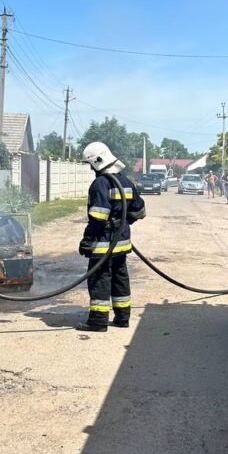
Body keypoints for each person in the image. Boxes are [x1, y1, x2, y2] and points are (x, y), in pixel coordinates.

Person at [78, 141, 146, 332]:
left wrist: (87, 241)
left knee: (100, 279)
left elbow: (98, 218)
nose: (90, 168)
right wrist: (123, 222)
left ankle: (98, 321)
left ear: (97, 161)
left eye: (90, 164)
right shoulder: (125, 181)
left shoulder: (100, 183)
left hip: (103, 244)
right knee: (119, 277)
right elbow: (140, 211)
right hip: (121, 243)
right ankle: (122, 318)